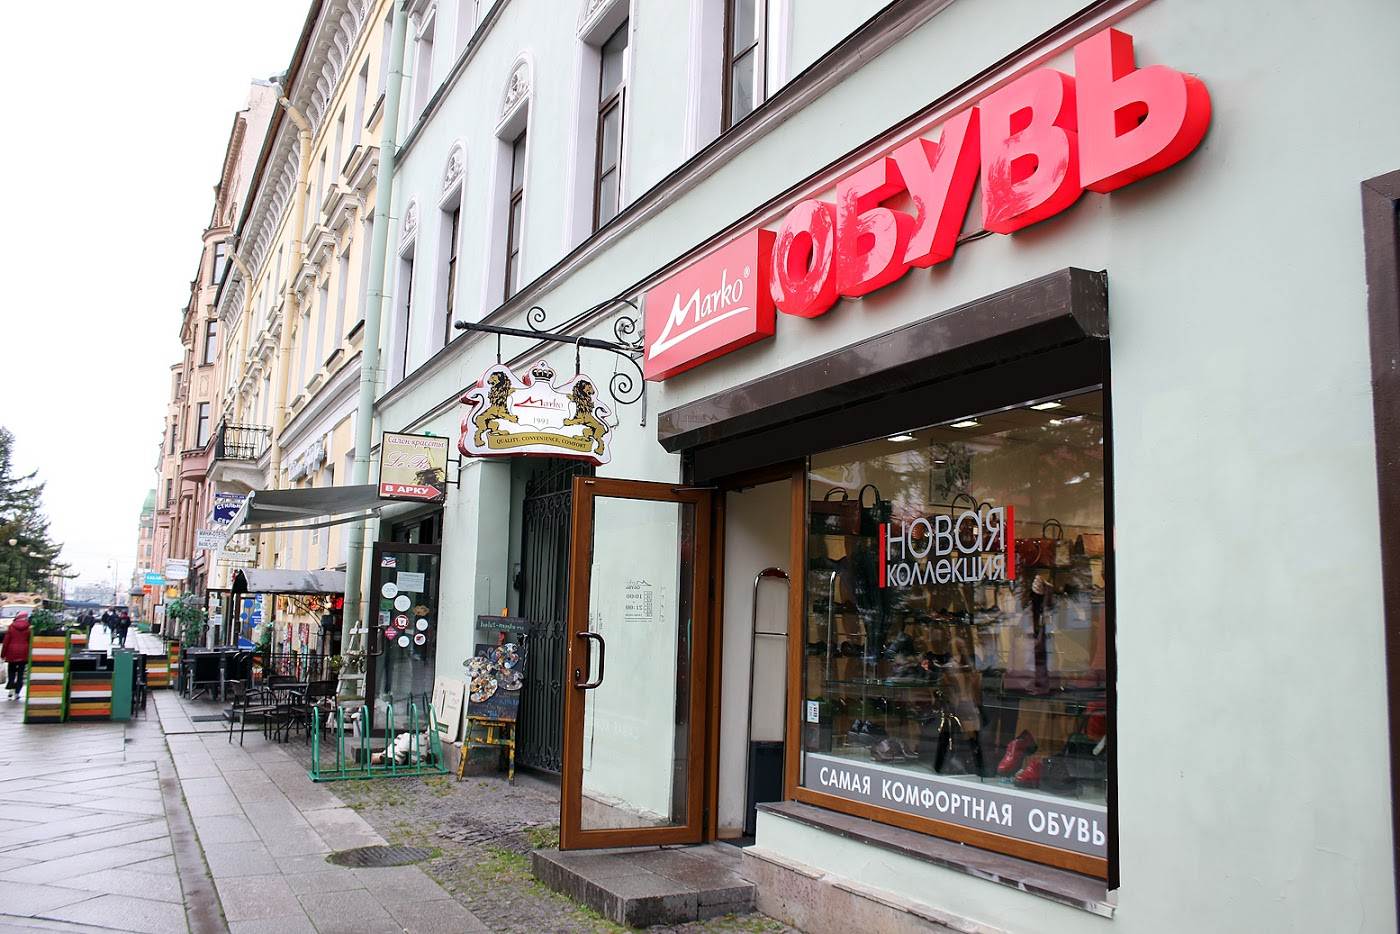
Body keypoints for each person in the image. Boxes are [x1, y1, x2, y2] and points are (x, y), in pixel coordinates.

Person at [3, 611, 31, 699]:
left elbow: (6, 641)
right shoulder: (29, 628)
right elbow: (30, 641)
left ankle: (11, 689)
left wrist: (3, 654)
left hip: (12, 652)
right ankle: (17, 693)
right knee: (20, 673)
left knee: (11, 671)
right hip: (24, 652)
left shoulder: (11, 627)